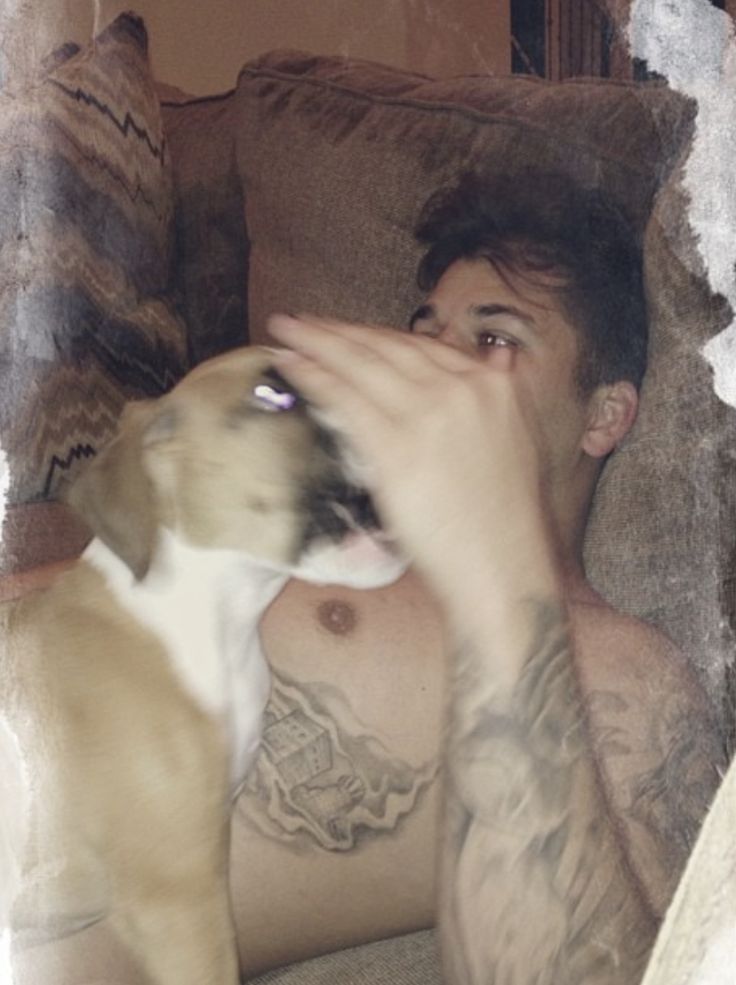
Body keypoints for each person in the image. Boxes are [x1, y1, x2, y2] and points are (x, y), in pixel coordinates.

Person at [237, 169, 725, 983]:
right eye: (424, 330)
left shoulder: (612, 665)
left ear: (604, 415)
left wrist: (493, 559)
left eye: (493, 339)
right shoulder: (301, 519)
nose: (430, 362)